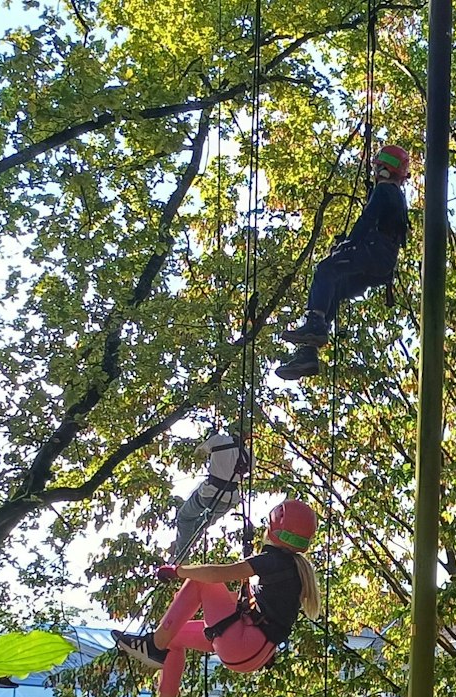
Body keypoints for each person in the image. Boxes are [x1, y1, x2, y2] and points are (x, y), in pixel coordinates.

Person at [112, 500, 324, 697]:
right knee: (177, 637)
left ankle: (154, 645)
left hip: (244, 643)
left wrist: (178, 571)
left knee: (201, 580)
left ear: (273, 530)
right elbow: (258, 607)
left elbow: (216, 574)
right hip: (253, 649)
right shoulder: (291, 569)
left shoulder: (273, 561)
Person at [275, 145, 412, 380]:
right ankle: (308, 354)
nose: (376, 172)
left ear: (384, 169)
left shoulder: (384, 191)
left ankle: (315, 324)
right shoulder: (396, 195)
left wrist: (347, 245)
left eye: (377, 168)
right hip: (381, 265)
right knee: (335, 289)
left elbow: (367, 220)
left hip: (374, 253)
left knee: (326, 269)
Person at [169, 430, 252, 562]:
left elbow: (199, 452)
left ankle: (182, 557)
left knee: (184, 518)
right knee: (201, 525)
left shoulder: (219, 440)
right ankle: (183, 547)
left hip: (209, 495)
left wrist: (211, 439)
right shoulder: (249, 455)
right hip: (228, 501)